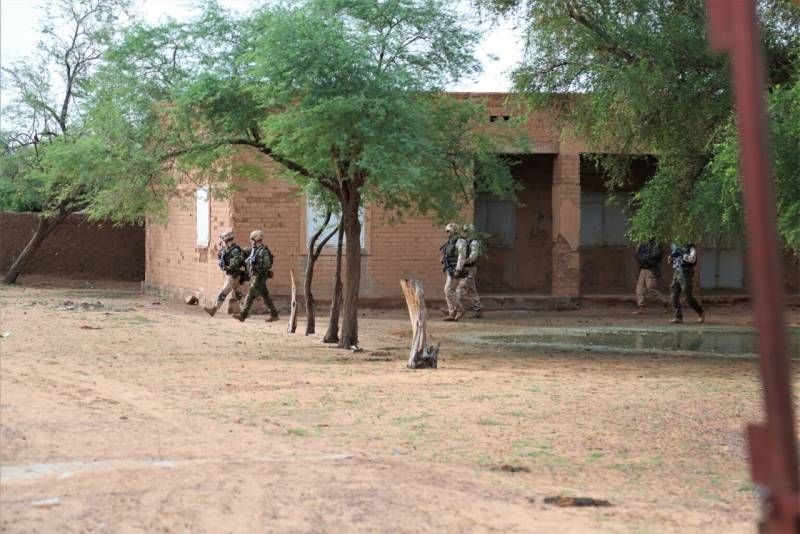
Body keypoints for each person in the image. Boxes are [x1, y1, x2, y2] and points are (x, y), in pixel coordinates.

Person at [233, 230, 280, 322]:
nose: (251, 241)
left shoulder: (263, 251)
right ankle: (274, 315)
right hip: (257, 275)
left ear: (256, 239)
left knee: (251, 293)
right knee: (265, 295)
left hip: (261, 275)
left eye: (252, 239)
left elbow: (266, 265)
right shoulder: (256, 250)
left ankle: (243, 315)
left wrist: (256, 267)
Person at [205, 231, 248, 317]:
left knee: (223, 292)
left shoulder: (235, 250)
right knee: (238, 293)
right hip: (233, 275)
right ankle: (245, 312)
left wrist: (227, 267)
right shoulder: (228, 249)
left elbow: (236, 263)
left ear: (226, 240)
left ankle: (214, 309)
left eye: (224, 240)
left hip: (234, 275)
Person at [668, 242, 705, 324]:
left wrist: (682, 254)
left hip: (685, 274)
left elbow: (692, 260)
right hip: (677, 273)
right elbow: (671, 261)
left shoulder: (691, 248)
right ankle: (678, 317)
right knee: (673, 296)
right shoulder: (676, 247)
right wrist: (671, 258)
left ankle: (700, 311)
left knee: (688, 296)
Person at [439, 222, 468, 322]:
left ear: (454, 230)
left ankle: (459, 309)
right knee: (448, 290)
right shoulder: (450, 242)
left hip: (456, 269)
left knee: (448, 290)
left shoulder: (460, 241)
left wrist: (458, 269)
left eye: (449, 231)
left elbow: (461, 256)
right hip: (450, 269)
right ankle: (452, 313)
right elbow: (449, 253)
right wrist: (443, 258)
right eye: (446, 231)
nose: (447, 233)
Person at [632, 238, 665, 314]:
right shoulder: (643, 244)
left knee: (651, 289)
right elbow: (638, 256)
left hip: (651, 269)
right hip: (643, 269)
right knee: (639, 289)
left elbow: (654, 256)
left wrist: (643, 257)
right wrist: (642, 256)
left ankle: (666, 303)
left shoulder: (656, 244)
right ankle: (641, 307)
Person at [459, 224, 484, 318]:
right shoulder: (465, 242)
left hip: (470, 268)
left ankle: (453, 308)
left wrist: (465, 261)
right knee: (471, 291)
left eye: (465, 231)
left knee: (460, 288)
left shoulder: (473, 242)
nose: (463, 233)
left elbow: (474, 255)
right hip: (466, 268)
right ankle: (479, 310)